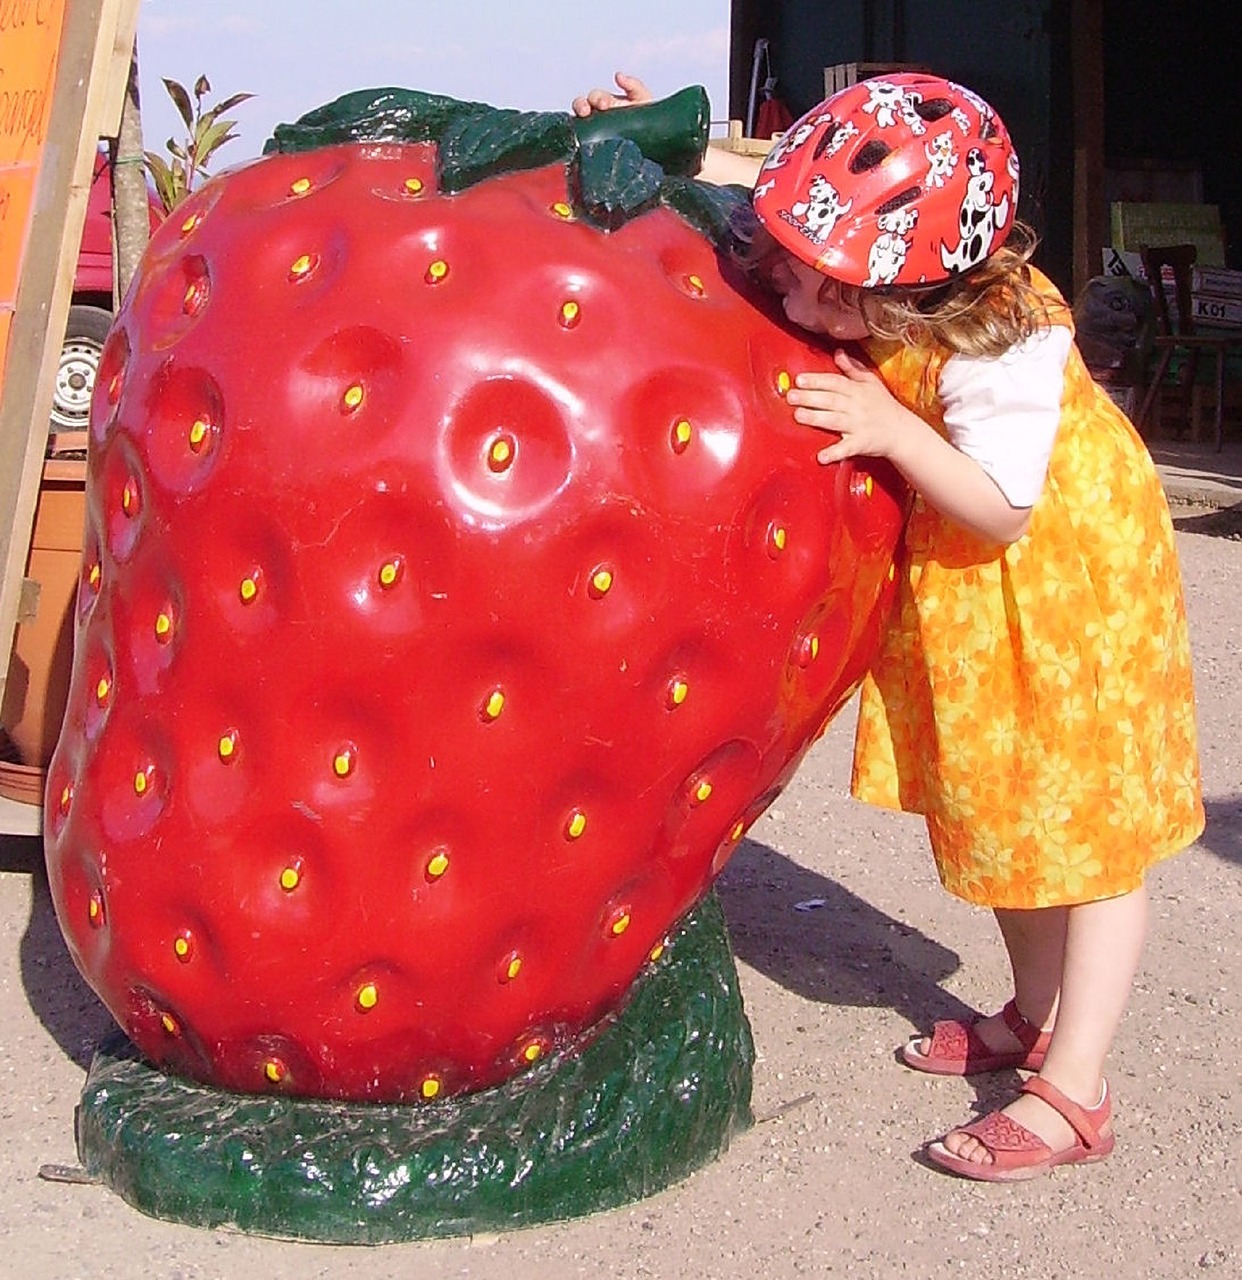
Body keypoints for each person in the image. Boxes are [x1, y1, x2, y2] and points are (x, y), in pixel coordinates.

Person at [573, 72, 1205, 1182]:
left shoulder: (1004, 334)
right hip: (980, 583)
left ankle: (1079, 1088)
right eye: (794, 271)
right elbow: (746, 185)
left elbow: (1006, 506)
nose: (799, 300)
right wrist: (646, 142)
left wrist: (891, 431)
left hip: (1069, 587)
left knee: (1094, 835)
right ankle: (1034, 1013)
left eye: (831, 293)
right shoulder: (868, 247)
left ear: (924, 288)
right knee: (1001, 804)